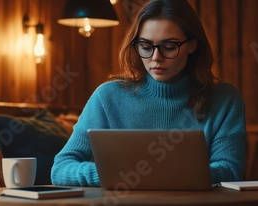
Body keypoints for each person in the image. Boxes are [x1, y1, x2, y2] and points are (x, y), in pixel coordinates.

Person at [51, 0, 246, 187]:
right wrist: (111, 174)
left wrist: (158, 175)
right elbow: (61, 168)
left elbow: (229, 170)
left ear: (192, 45)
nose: (155, 58)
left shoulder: (225, 99)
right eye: (145, 46)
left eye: (169, 47)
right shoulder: (108, 97)